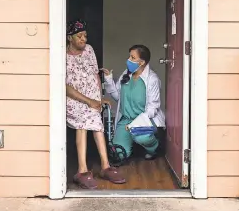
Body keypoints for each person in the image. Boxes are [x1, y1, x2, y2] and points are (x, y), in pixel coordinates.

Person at [66, 19, 126, 189]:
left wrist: (99, 99)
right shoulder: (63, 55)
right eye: (79, 36)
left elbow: (94, 76)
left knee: (97, 123)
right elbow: (66, 87)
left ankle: (105, 166)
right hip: (74, 99)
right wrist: (89, 101)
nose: (83, 39)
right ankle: (82, 170)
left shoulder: (89, 50)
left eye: (85, 35)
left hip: (92, 99)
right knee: (83, 122)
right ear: (70, 37)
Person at [101, 44, 165, 161]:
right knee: (119, 155)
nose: (128, 60)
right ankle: (131, 141)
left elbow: (153, 108)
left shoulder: (152, 79)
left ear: (142, 62)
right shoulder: (127, 74)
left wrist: (134, 124)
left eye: (132, 58)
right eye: (129, 57)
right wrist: (109, 79)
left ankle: (154, 147)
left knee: (141, 137)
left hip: (145, 120)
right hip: (126, 120)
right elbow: (118, 97)